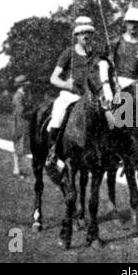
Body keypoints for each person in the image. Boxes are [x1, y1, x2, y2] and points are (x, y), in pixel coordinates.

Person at [45, 16, 99, 170]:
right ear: (76, 35)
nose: (85, 36)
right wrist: (66, 85)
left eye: (88, 32)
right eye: (82, 33)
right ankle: (53, 151)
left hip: (90, 97)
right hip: (71, 95)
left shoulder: (95, 54)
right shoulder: (69, 53)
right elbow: (53, 78)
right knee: (57, 118)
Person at [99, 7, 138, 105]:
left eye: (136, 22)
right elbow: (103, 64)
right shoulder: (115, 42)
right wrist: (109, 85)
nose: (133, 25)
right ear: (125, 23)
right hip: (115, 84)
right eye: (130, 22)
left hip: (135, 85)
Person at [12, 75, 33, 178]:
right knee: (19, 148)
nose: (27, 86)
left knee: (21, 148)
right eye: (25, 84)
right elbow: (21, 111)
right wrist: (33, 113)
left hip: (24, 124)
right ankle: (17, 170)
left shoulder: (23, 94)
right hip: (20, 124)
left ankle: (18, 169)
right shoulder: (18, 96)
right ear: (22, 85)